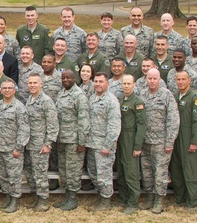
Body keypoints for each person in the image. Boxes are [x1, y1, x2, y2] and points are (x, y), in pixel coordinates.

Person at [138, 69, 178, 214]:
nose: (152, 81)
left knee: (160, 173)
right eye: (150, 78)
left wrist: (169, 141)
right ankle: (149, 198)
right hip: (145, 141)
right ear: (146, 79)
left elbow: (173, 119)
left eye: (155, 79)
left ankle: (159, 200)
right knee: (147, 172)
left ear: (160, 79)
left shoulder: (166, 95)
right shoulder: (142, 94)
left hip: (161, 142)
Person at [22, 72, 59, 211]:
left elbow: (53, 124)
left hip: (40, 144)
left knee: (40, 173)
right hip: (29, 143)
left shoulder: (46, 101)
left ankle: (43, 200)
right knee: (30, 171)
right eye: (30, 83)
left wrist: (48, 143)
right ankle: (36, 197)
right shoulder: (30, 99)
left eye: (35, 83)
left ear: (41, 84)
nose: (32, 85)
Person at [54, 69, 89, 211]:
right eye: (63, 77)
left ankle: (73, 198)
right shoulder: (61, 93)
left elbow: (84, 120)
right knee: (63, 169)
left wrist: (81, 141)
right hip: (62, 138)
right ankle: (67, 196)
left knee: (73, 170)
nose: (65, 80)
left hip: (74, 140)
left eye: (69, 77)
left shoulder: (79, 95)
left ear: (74, 78)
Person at [0, 79, 30, 213]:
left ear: (14, 90)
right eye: (5, 88)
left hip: (13, 148)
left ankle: (14, 200)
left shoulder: (19, 107)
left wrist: (18, 148)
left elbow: (24, 129)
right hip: (0, 147)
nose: (7, 90)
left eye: (10, 88)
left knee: (14, 176)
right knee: (2, 175)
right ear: (1, 90)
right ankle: (7, 197)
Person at [86, 72, 121, 210]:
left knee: (104, 174)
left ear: (107, 83)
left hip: (104, 145)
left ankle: (106, 201)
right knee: (93, 172)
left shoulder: (111, 101)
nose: (98, 84)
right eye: (96, 81)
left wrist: (108, 145)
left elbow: (114, 126)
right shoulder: (92, 98)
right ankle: (101, 196)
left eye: (101, 81)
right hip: (92, 143)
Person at [169, 70, 197, 209]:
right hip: (176, 136)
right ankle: (180, 198)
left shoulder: (195, 98)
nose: (181, 82)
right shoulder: (175, 96)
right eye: (178, 79)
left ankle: (192, 201)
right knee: (176, 169)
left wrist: (195, 141)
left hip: (188, 135)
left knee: (189, 170)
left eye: (183, 79)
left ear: (189, 80)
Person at [116, 74, 146, 214]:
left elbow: (141, 125)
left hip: (130, 137)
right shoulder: (121, 99)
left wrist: (137, 146)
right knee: (121, 169)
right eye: (124, 84)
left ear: (134, 85)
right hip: (120, 137)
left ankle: (133, 202)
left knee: (131, 171)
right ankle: (124, 197)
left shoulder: (137, 102)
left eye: (129, 84)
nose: (126, 86)